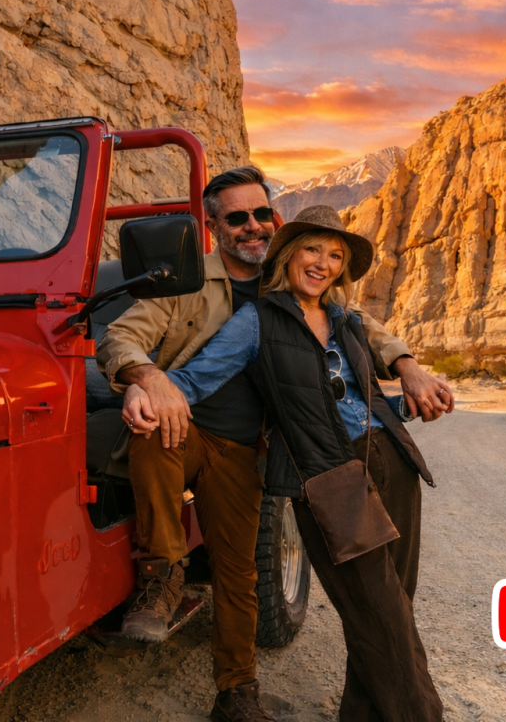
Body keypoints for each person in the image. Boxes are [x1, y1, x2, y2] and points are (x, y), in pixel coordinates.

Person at [96, 167, 452, 722]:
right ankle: (162, 573)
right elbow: (143, 349)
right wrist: (147, 381)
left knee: (370, 607)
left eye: (262, 214)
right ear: (215, 226)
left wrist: (408, 368)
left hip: (325, 455)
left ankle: (283, 702)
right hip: (246, 446)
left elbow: (364, 339)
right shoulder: (225, 299)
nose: (252, 226)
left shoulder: (321, 303)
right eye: (237, 217)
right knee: (382, 615)